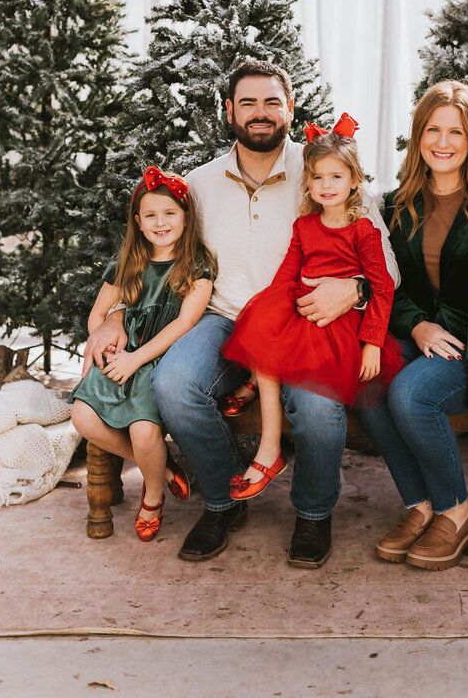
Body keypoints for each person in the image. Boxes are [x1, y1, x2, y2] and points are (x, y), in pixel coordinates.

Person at [81, 59, 398, 569]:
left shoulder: (324, 168)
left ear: (290, 108)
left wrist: (355, 289)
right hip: (222, 318)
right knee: (175, 386)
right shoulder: (200, 185)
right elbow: (155, 254)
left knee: (317, 410)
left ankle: (314, 513)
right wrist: (117, 312)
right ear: (229, 111)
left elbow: (387, 264)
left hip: (306, 320)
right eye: (247, 102)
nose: (260, 112)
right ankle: (224, 499)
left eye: (272, 101)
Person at [357, 80, 468, 570]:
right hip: (416, 336)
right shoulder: (392, 206)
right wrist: (416, 325)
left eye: (456, 133)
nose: (443, 142)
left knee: (410, 396)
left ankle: (456, 509)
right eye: (433, 130)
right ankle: (420, 507)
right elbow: (384, 280)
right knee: (366, 384)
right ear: (418, 135)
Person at [222, 118, 403, 503]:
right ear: (307, 182)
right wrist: (269, 310)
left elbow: (382, 285)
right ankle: (267, 438)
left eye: (336, 176)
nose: (326, 185)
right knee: (264, 322)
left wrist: (371, 343)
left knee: (310, 395)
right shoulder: (305, 225)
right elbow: (289, 272)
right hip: (302, 310)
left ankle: (310, 502)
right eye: (317, 177)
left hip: (340, 326)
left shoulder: (363, 229)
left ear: (355, 180)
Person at [71, 166, 214, 541]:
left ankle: (152, 496)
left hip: (159, 360)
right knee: (82, 417)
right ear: (138, 221)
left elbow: (183, 323)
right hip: (120, 356)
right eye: (150, 215)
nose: (160, 222)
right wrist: (108, 330)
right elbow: (96, 316)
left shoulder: (197, 264)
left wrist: (136, 359)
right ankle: (163, 470)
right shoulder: (128, 263)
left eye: (169, 213)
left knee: (144, 430)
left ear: (186, 216)